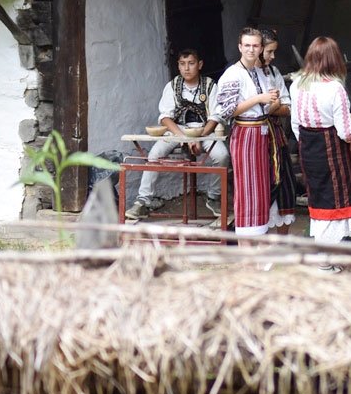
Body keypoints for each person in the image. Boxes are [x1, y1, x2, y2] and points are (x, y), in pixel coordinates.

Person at [290, 37, 351, 269]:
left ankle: (326, 258)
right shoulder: (335, 88)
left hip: (308, 149)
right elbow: (346, 132)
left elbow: (295, 125)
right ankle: (325, 261)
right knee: (334, 202)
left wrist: (308, 144)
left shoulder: (296, 84)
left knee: (319, 201)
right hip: (330, 151)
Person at [125, 49, 229, 221]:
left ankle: (213, 196)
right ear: (178, 66)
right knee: (154, 154)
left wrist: (198, 137)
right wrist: (183, 137)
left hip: (204, 131)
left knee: (222, 155)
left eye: (191, 63)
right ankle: (143, 201)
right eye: (182, 64)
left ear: (200, 65)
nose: (186, 68)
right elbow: (165, 117)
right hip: (177, 130)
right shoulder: (172, 86)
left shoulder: (210, 85)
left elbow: (215, 117)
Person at [216, 28, 281, 239]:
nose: (251, 50)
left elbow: (264, 106)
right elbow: (227, 111)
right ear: (240, 47)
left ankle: (258, 241)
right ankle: (245, 244)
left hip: (261, 132)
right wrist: (258, 99)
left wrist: (271, 101)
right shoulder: (233, 74)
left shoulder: (259, 72)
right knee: (247, 190)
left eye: (255, 46)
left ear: (261, 48)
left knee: (260, 189)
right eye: (247, 45)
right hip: (245, 133)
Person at [258, 29, 297, 233]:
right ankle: (259, 240)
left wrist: (271, 107)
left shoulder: (274, 73)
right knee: (261, 187)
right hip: (256, 138)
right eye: (269, 52)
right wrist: (271, 106)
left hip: (276, 136)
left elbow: (287, 107)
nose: (273, 56)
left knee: (285, 185)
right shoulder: (244, 74)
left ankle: (282, 241)